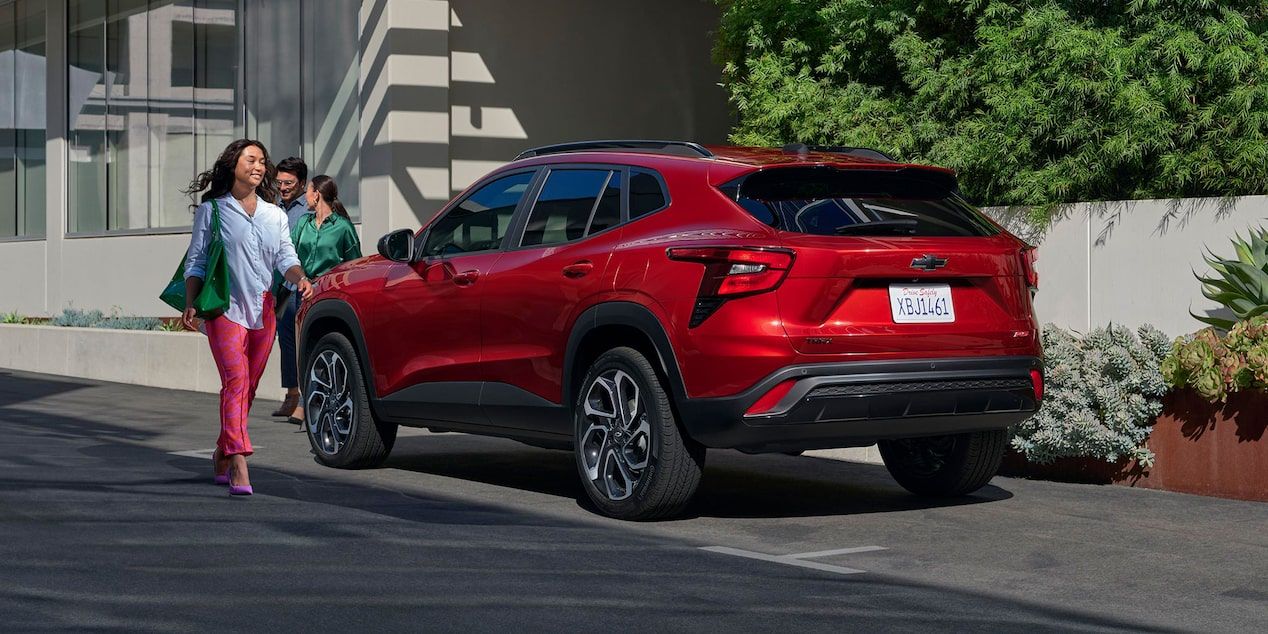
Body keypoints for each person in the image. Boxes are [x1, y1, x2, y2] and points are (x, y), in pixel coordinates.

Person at [182, 139, 314, 496]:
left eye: (261, 161)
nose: (258, 166)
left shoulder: (275, 215)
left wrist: (301, 278)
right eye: (251, 159)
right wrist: (191, 302)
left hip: (263, 309)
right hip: (224, 309)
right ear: (233, 165)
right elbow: (197, 260)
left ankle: (222, 451)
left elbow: (286, 257)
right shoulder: (213, 210)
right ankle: (239, 459)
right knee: (236, 381)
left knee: (248, 387)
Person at [285, 174, 363, 427]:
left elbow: (354, 264)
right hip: (302, 292)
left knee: (324, 347)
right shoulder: (303, 224)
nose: (305, 196)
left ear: (316, 194)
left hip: (330, 293)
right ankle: (304, 401)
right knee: (301, 349)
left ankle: (317, 402)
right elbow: (289, 255)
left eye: (307, 191)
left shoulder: (343, 227)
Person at [271, 157, 309, 419]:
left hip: (303, 284)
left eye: (289, 183)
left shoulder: (309, 208)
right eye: (279, 183)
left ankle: (305, 401)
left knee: (302, 342)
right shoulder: (274, 207)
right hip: (281, 287)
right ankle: (292, 394)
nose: (283, 188)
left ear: (302, 183)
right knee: (285, 343)